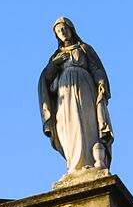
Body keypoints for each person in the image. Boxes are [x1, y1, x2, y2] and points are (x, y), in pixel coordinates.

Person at [36, 16, 112, 175]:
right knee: (69, 125)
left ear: (71, 29)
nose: (62, 33)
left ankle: (93, 160)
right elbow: (46, 79)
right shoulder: (56, 56)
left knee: (87, 121)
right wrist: (54, 65)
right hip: (65, 93)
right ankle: (74, 164)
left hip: (85, 88)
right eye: (59, 31)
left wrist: (101, 83)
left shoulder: (84, 48)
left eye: (64, 29)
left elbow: (96, 69)